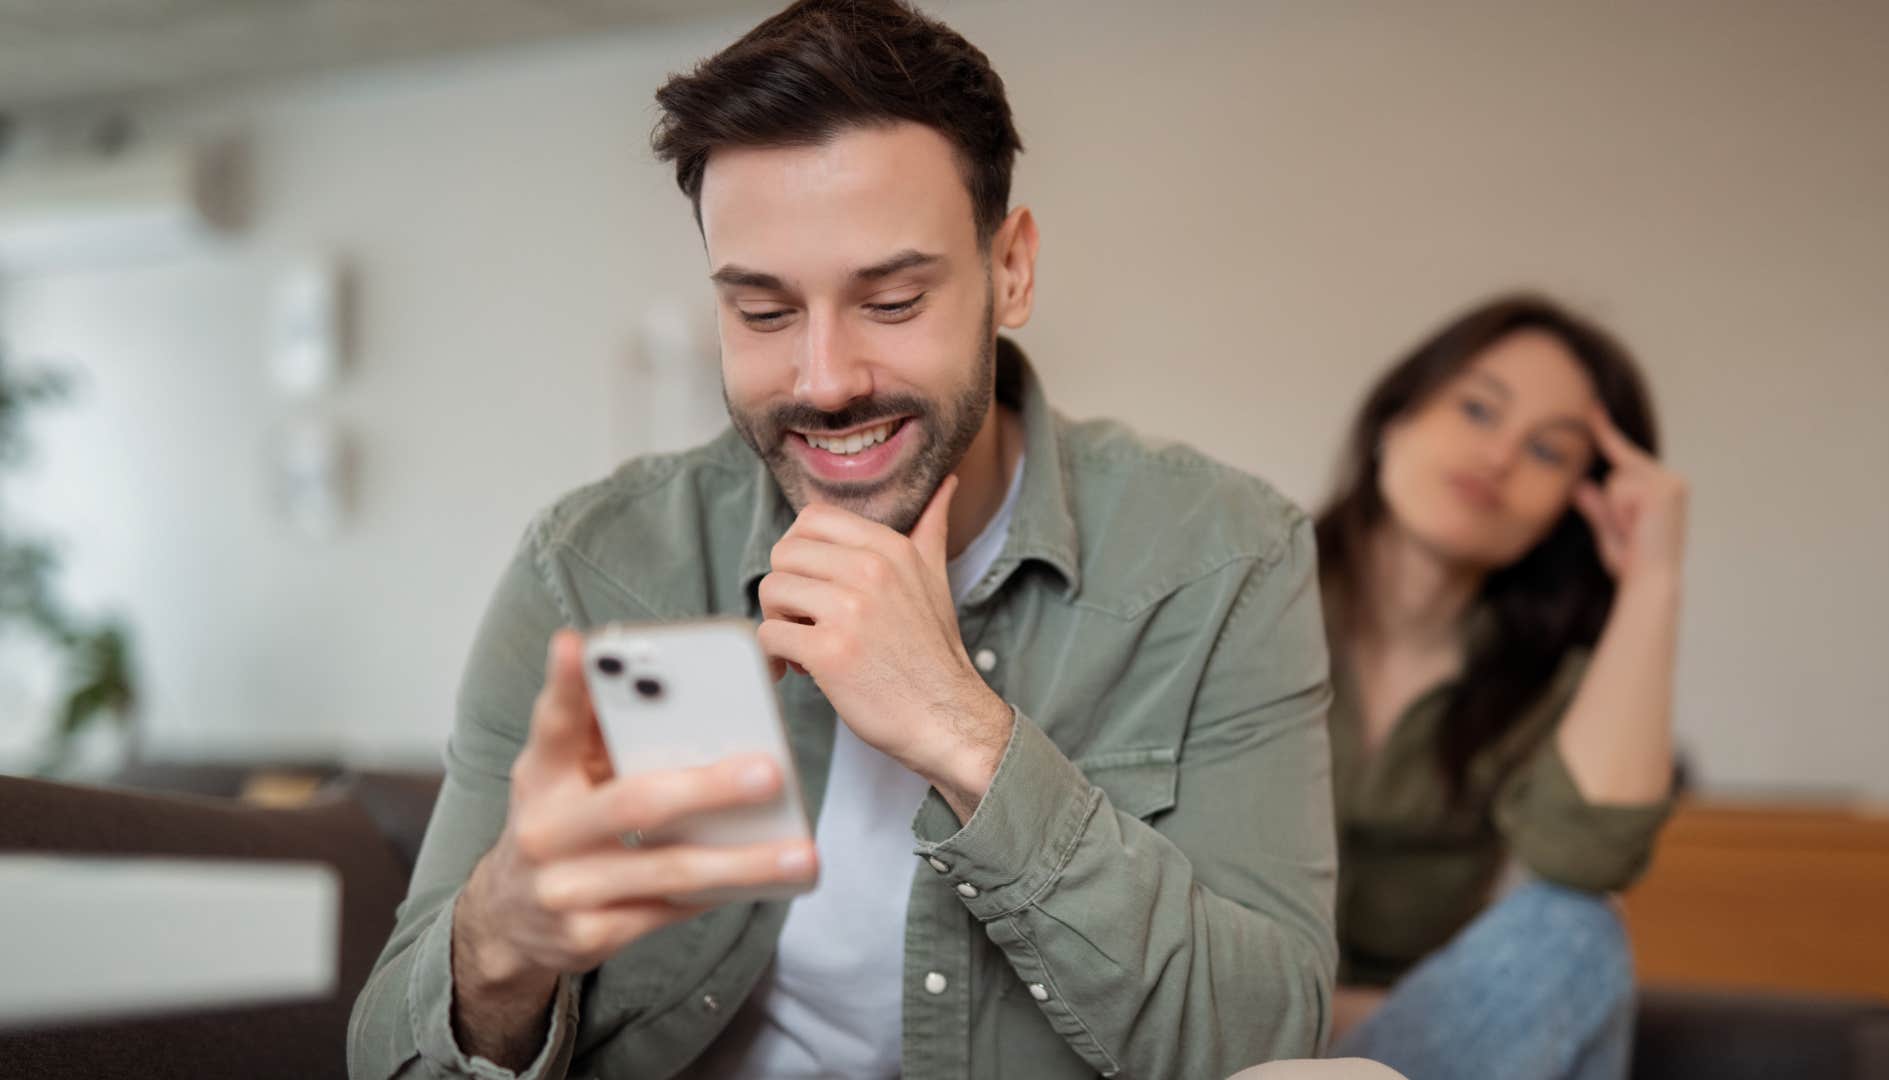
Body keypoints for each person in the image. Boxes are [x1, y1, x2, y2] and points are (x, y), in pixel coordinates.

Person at [348, 2, 1342, 1076]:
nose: (823, 381)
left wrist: (964, 732)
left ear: (1011, 269)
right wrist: (502, 943)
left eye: (893, 299)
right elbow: (383, 1060)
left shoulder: (1224, 559)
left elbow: (1270, 1043)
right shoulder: (601, 567)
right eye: (764, 315)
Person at [1314, 294, 1688, 1080]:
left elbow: (1585, 858)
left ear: (1571, 509)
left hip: (1423, 1054)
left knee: (1576, 928)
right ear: (1396, 417)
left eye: (1550, 453)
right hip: (1212, 1039)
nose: (1499, 458)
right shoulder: (1234, 593)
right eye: (1479, 410)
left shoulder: (1544, 685)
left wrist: (1653, 577)